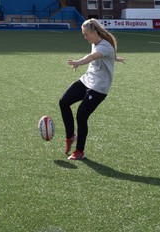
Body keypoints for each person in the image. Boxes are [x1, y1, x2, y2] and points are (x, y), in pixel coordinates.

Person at [59, 18, 125, 160]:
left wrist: (78, 62)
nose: (85, 37)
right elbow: (102, 55)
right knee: (63, 102)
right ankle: (70, 136)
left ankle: (79, 151)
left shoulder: (105, 46)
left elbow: (92, 56)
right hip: (87, 80)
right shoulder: (96, 42)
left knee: (81, 116)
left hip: (99, 88)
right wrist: (115, 58)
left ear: (94, 32)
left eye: (86, 34)